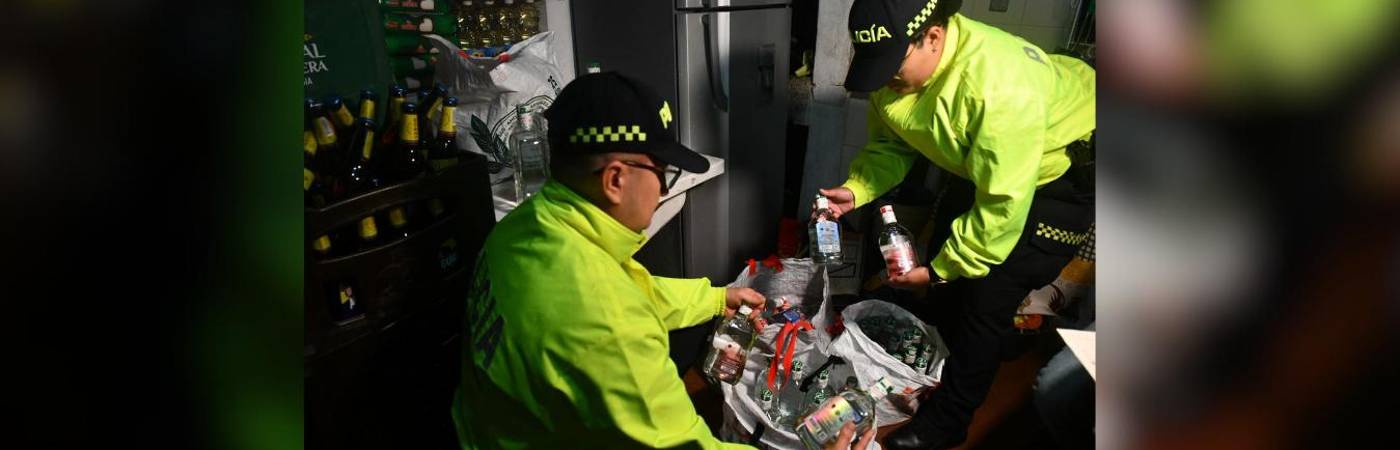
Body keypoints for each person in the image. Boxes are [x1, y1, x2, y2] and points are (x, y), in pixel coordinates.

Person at [451, 72, 869, 449]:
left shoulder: (526, 226)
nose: (664, 190)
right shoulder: (607, 326)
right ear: (616, 179)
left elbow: (630, 290)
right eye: (662, 172)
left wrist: (716, 298)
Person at [812, 0, 1095, 448]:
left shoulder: (998, 86)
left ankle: (950, 419)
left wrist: (942, 271)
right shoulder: (895, 72)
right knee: (948, 265)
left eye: (893, 65)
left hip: (1052, 178)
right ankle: (962, 357)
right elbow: (893, 145)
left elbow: (1003, 202)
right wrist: (857, 188)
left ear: (934, 36)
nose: (887, 79)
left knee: (986, 296)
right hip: (984, 164)